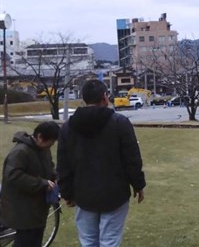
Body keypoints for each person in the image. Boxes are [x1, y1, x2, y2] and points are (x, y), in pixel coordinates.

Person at [57, 79, 146, 247]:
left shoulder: (68, 127)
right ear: (105, 97)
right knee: (110, 241)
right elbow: (132, 158)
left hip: (83, 193)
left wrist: (66, 192)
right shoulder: (119, 123)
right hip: (115, 192)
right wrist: (138, 184)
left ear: (84, 99)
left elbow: (63, 164)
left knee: (88, 241)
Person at [1, 121, 60, 247]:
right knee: (25, 241)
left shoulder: (43, 149)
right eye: (50, 141)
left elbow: (49, 167)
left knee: (35, 240)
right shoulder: (20, 152)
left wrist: (55, 177)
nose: (51, 145)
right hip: (22, 209)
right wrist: (42, 183)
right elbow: (13, 175)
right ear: (39, 136)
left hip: (37, 208)